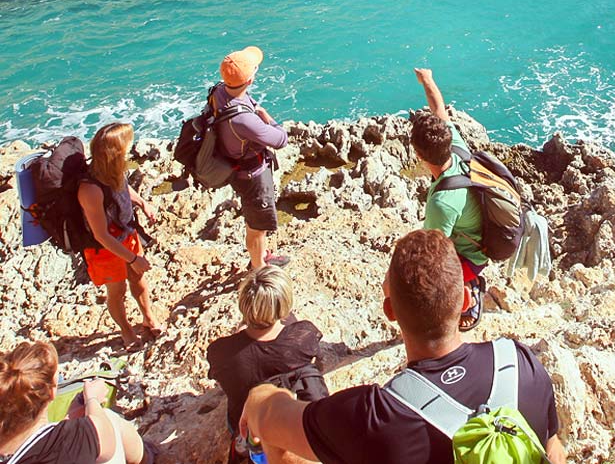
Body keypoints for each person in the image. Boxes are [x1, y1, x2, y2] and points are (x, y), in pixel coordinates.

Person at [240, 229, 566, 464]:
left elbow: (268, 419)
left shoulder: (372, 418)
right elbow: (552, 449)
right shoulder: (521, 363)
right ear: (467, 301)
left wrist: (261, 396)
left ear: (390, 313)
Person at [206, 266, 326, 463]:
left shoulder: (221, 352)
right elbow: (317, 363)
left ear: (244, 305)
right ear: (284, 307)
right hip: (291, 419)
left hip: (245, 423)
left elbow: (222, 379)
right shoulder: (303, 336)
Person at [410, 68, 488, 331]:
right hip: (481, 232)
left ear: (420, 157)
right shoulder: (456, 147)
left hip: (474, 254)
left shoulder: (441, 203)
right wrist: (428, 80)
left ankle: (470, 292)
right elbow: (439, 108)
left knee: (429, 276)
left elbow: (434, 253)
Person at [77, 124, 159, 350]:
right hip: (104, 250)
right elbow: (101, 235)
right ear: (116, 152)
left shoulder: (113, 169)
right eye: (127, 147)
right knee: (117, 291)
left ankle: (148, 318)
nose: (130, 150)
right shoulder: (89, 189)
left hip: (127, 235)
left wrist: (142, 203)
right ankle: (126, 330)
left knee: (138, 280)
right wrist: (133, 259)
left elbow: (122, 187)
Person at [0, 340, 148, 464]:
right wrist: (92, 400)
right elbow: (103, 437)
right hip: (98, 437)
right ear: (51, 392)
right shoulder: (71, 439)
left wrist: (70, 417)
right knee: (108, 418)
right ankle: (149, 457)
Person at [213, 46, 289, 272]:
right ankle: (258, 268)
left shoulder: (219, 92)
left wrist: (254, 106)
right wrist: (267, 118)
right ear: (249, 81)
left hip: (236, 167)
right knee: (256, 225)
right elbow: (280, 139)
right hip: (253, 176)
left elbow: (245, 100)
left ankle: (261, 254)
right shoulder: (244, 121)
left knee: (253, 220)